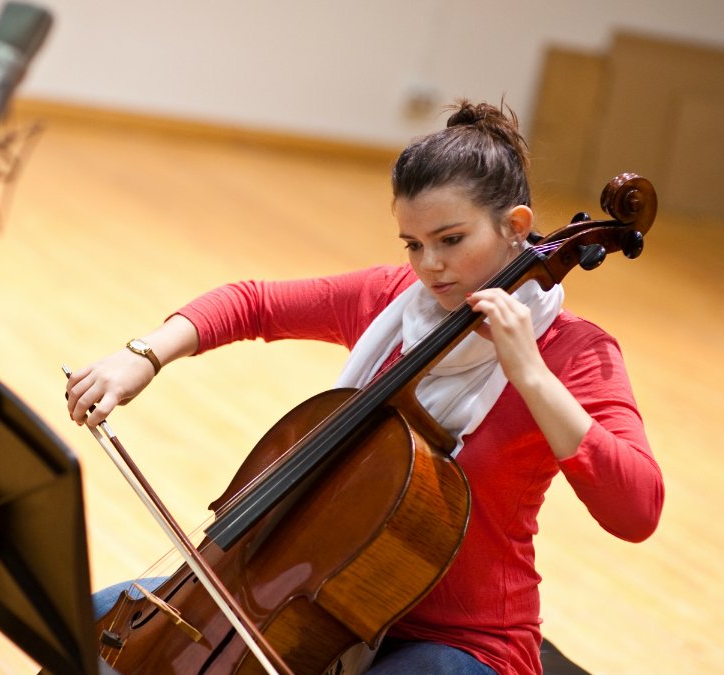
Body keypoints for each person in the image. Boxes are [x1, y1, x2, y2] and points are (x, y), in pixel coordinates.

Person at [65, 99, 664, 675]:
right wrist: (143, 355)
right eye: (413, 244)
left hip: (459, 638)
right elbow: (253, 303)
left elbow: (636, 509)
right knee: (82, 628)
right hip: (305, 599)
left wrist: (530, 375)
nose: (429, 267)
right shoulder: (395, 303)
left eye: (451, 240)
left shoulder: (576, 352)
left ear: (516, 227)